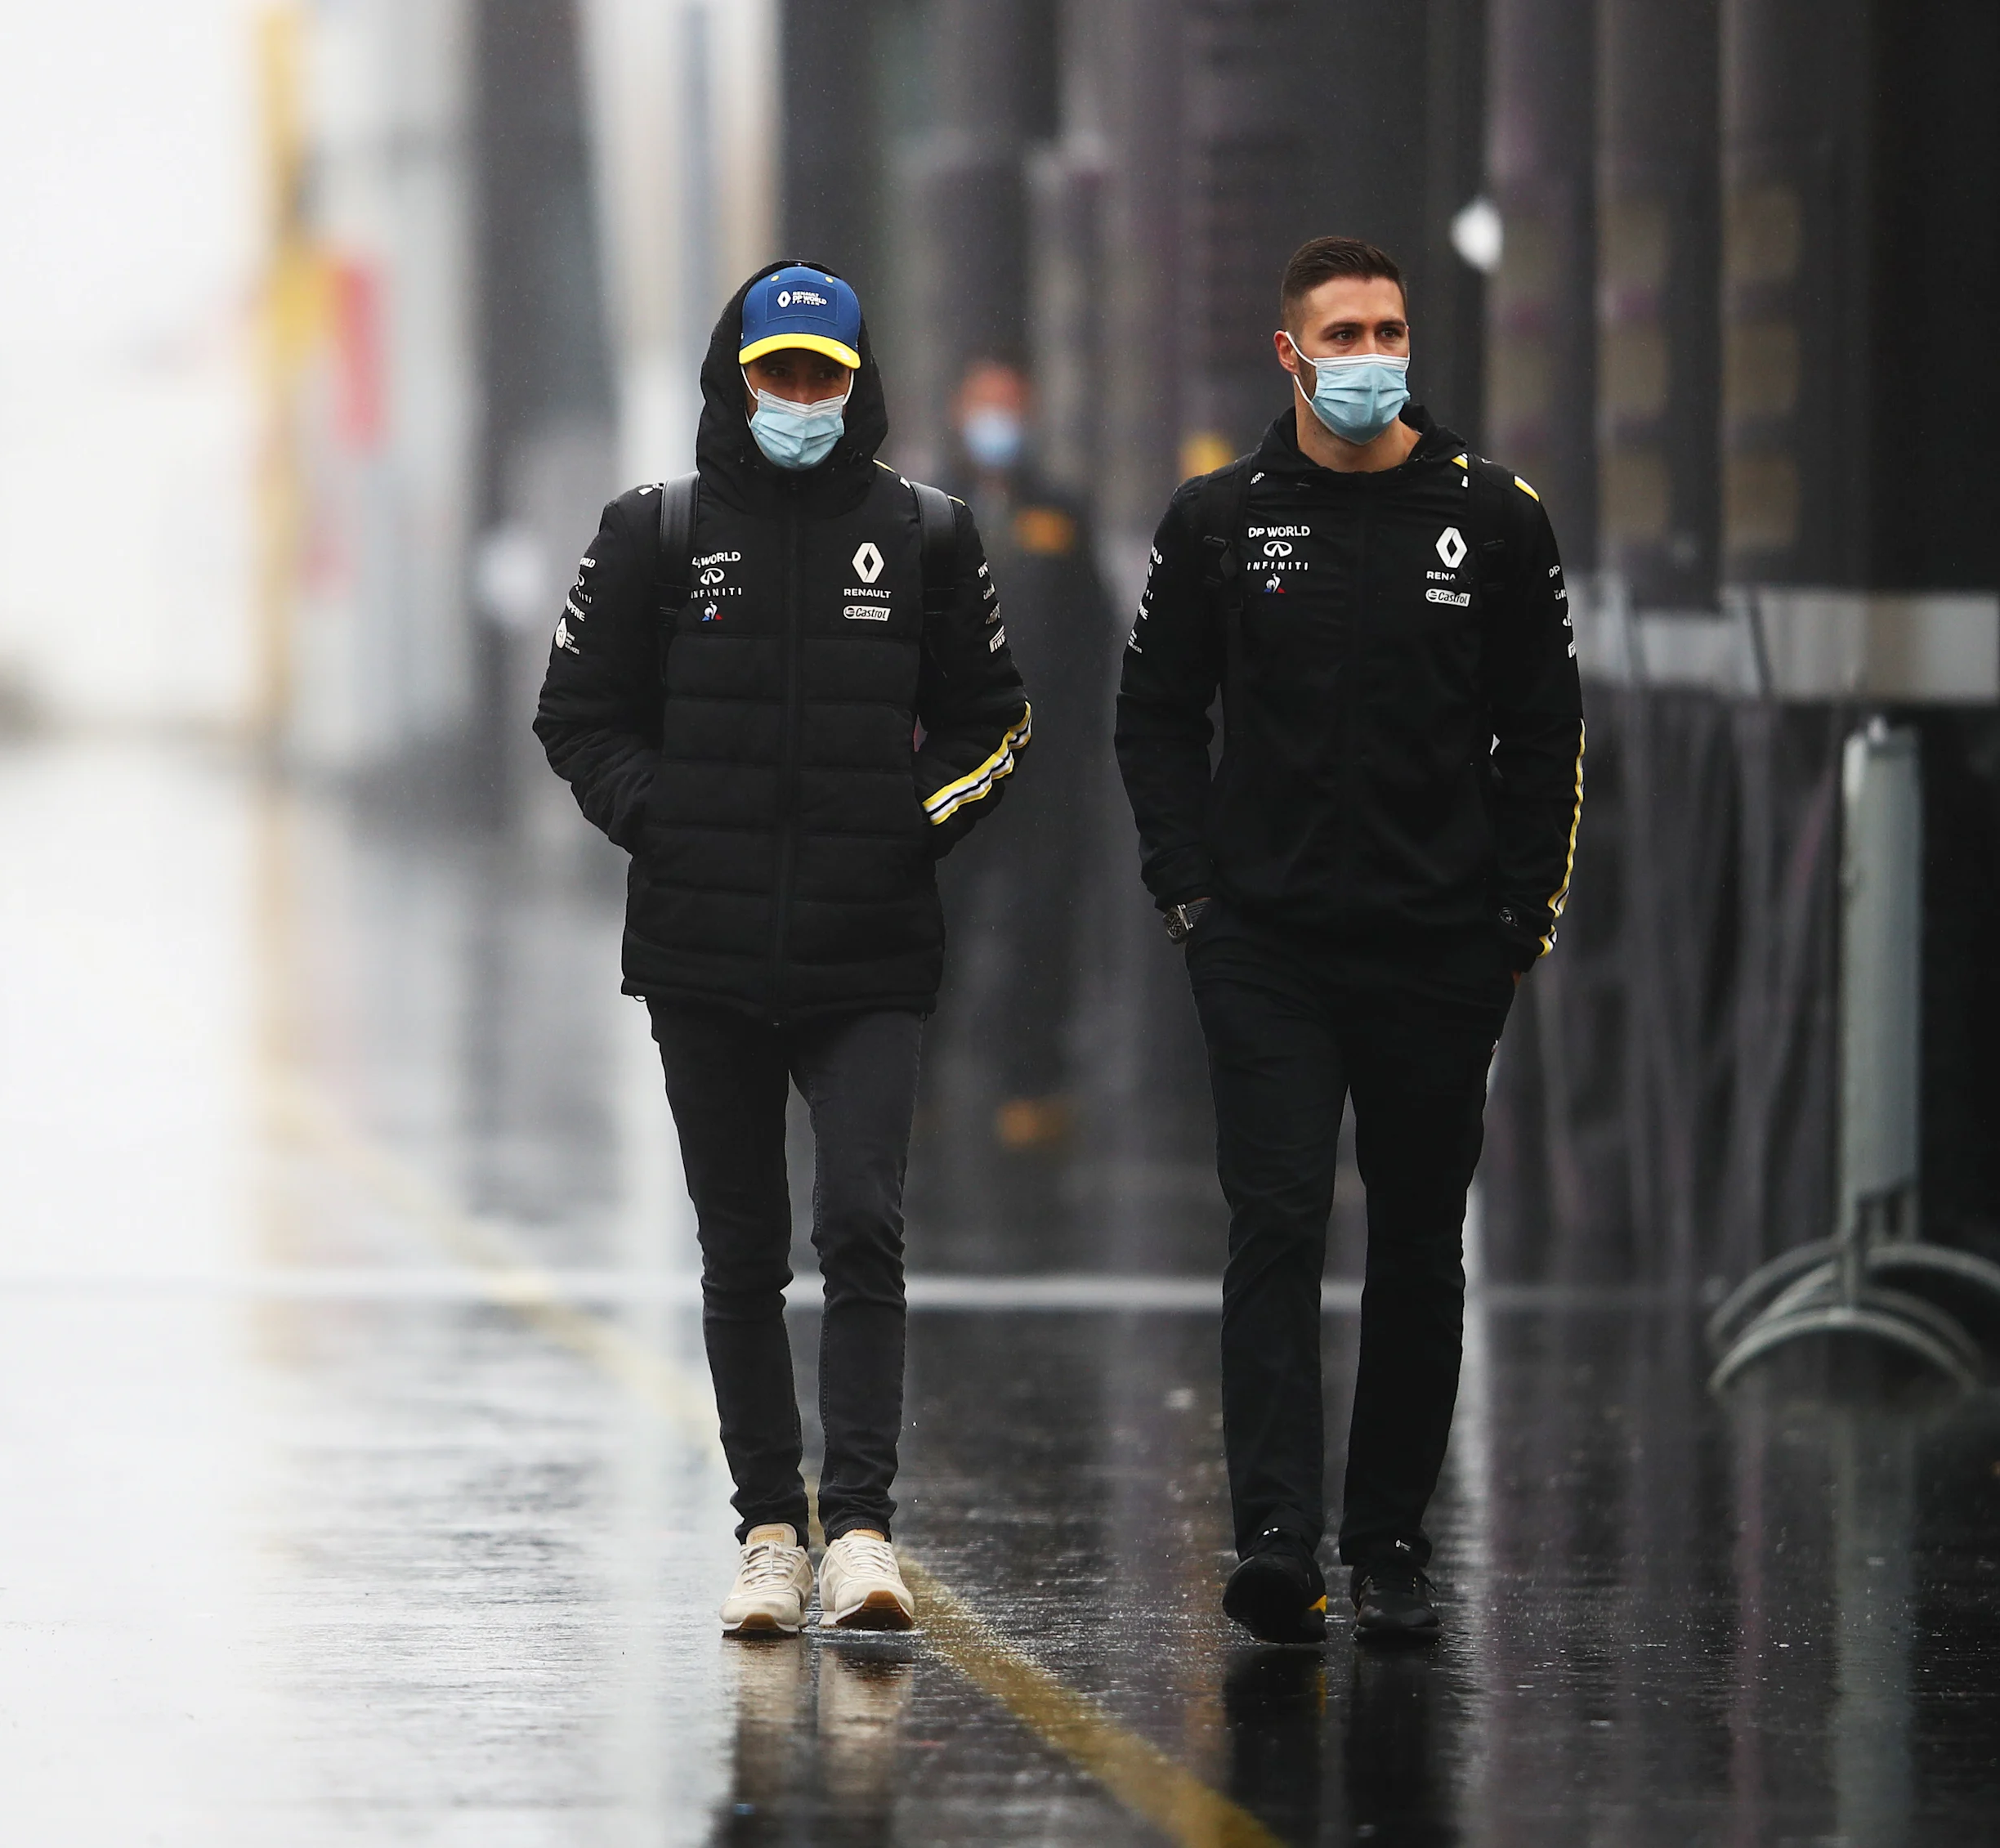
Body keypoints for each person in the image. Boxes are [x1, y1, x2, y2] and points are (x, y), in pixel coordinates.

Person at [534, 262, 1032, 1635]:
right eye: (778, 374)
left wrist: (908, 823)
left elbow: (997, 718)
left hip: (869, 953)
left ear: (857, 383)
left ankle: (862, 1528)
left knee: (862, 1226)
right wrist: (666, 821)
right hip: (701, 955)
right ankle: (768, 1528)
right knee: (741, 1251)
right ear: (735, 378)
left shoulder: (927, 535)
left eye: (824, 375)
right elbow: (574, 715)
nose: (801, 398)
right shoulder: (656, 532)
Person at [1114, 236, 1582, 1645]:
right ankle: (1273, 1537)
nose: (1372, 353)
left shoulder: (1491, 518)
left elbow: (1544, 729)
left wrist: (1515, 920)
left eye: (1389, 328)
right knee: (1274, 1218)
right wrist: (1189, 895)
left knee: (1419, 1239)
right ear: (1290, 352)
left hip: (1441, 948)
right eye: (1345, 331)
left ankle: (1385, 1538)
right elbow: (1152, 717)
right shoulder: (1215, 520)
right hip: (1261, 943)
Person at [933, 359, 1118, 1162]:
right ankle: (914, 1086)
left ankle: (1029, 1085)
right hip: (946, 764)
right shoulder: (921, 514)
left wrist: (1076, 739)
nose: (997, 422)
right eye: (985, 407)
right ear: (958, 410)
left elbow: (1092, 632)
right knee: (933, 921)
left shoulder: (1059, 515)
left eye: (1010, 407)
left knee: (1041, 923)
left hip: (1040, 767)